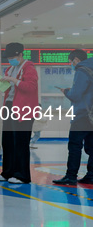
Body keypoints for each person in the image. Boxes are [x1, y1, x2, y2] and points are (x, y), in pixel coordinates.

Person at [0, 42, 38, 184]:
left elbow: (31, 87)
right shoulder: (10, 68)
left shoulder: (29, 68)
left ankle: (22, 175)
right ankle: (7, 172)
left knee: (20, 142)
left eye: (12, 57)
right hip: (9, 106)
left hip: (23, 110)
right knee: (7, 141)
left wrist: (13, 80)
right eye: (8, 57)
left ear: (20, 55)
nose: (10, 59)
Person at [53, 49, 93, 185]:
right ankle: (91, 175)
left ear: (75, 60)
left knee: (75, 146)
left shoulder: (82, 71)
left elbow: (76, 95)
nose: (71, 64)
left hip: (82, 115)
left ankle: (71, 176)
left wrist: (67, 91)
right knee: (92, 147)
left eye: (70, 62)